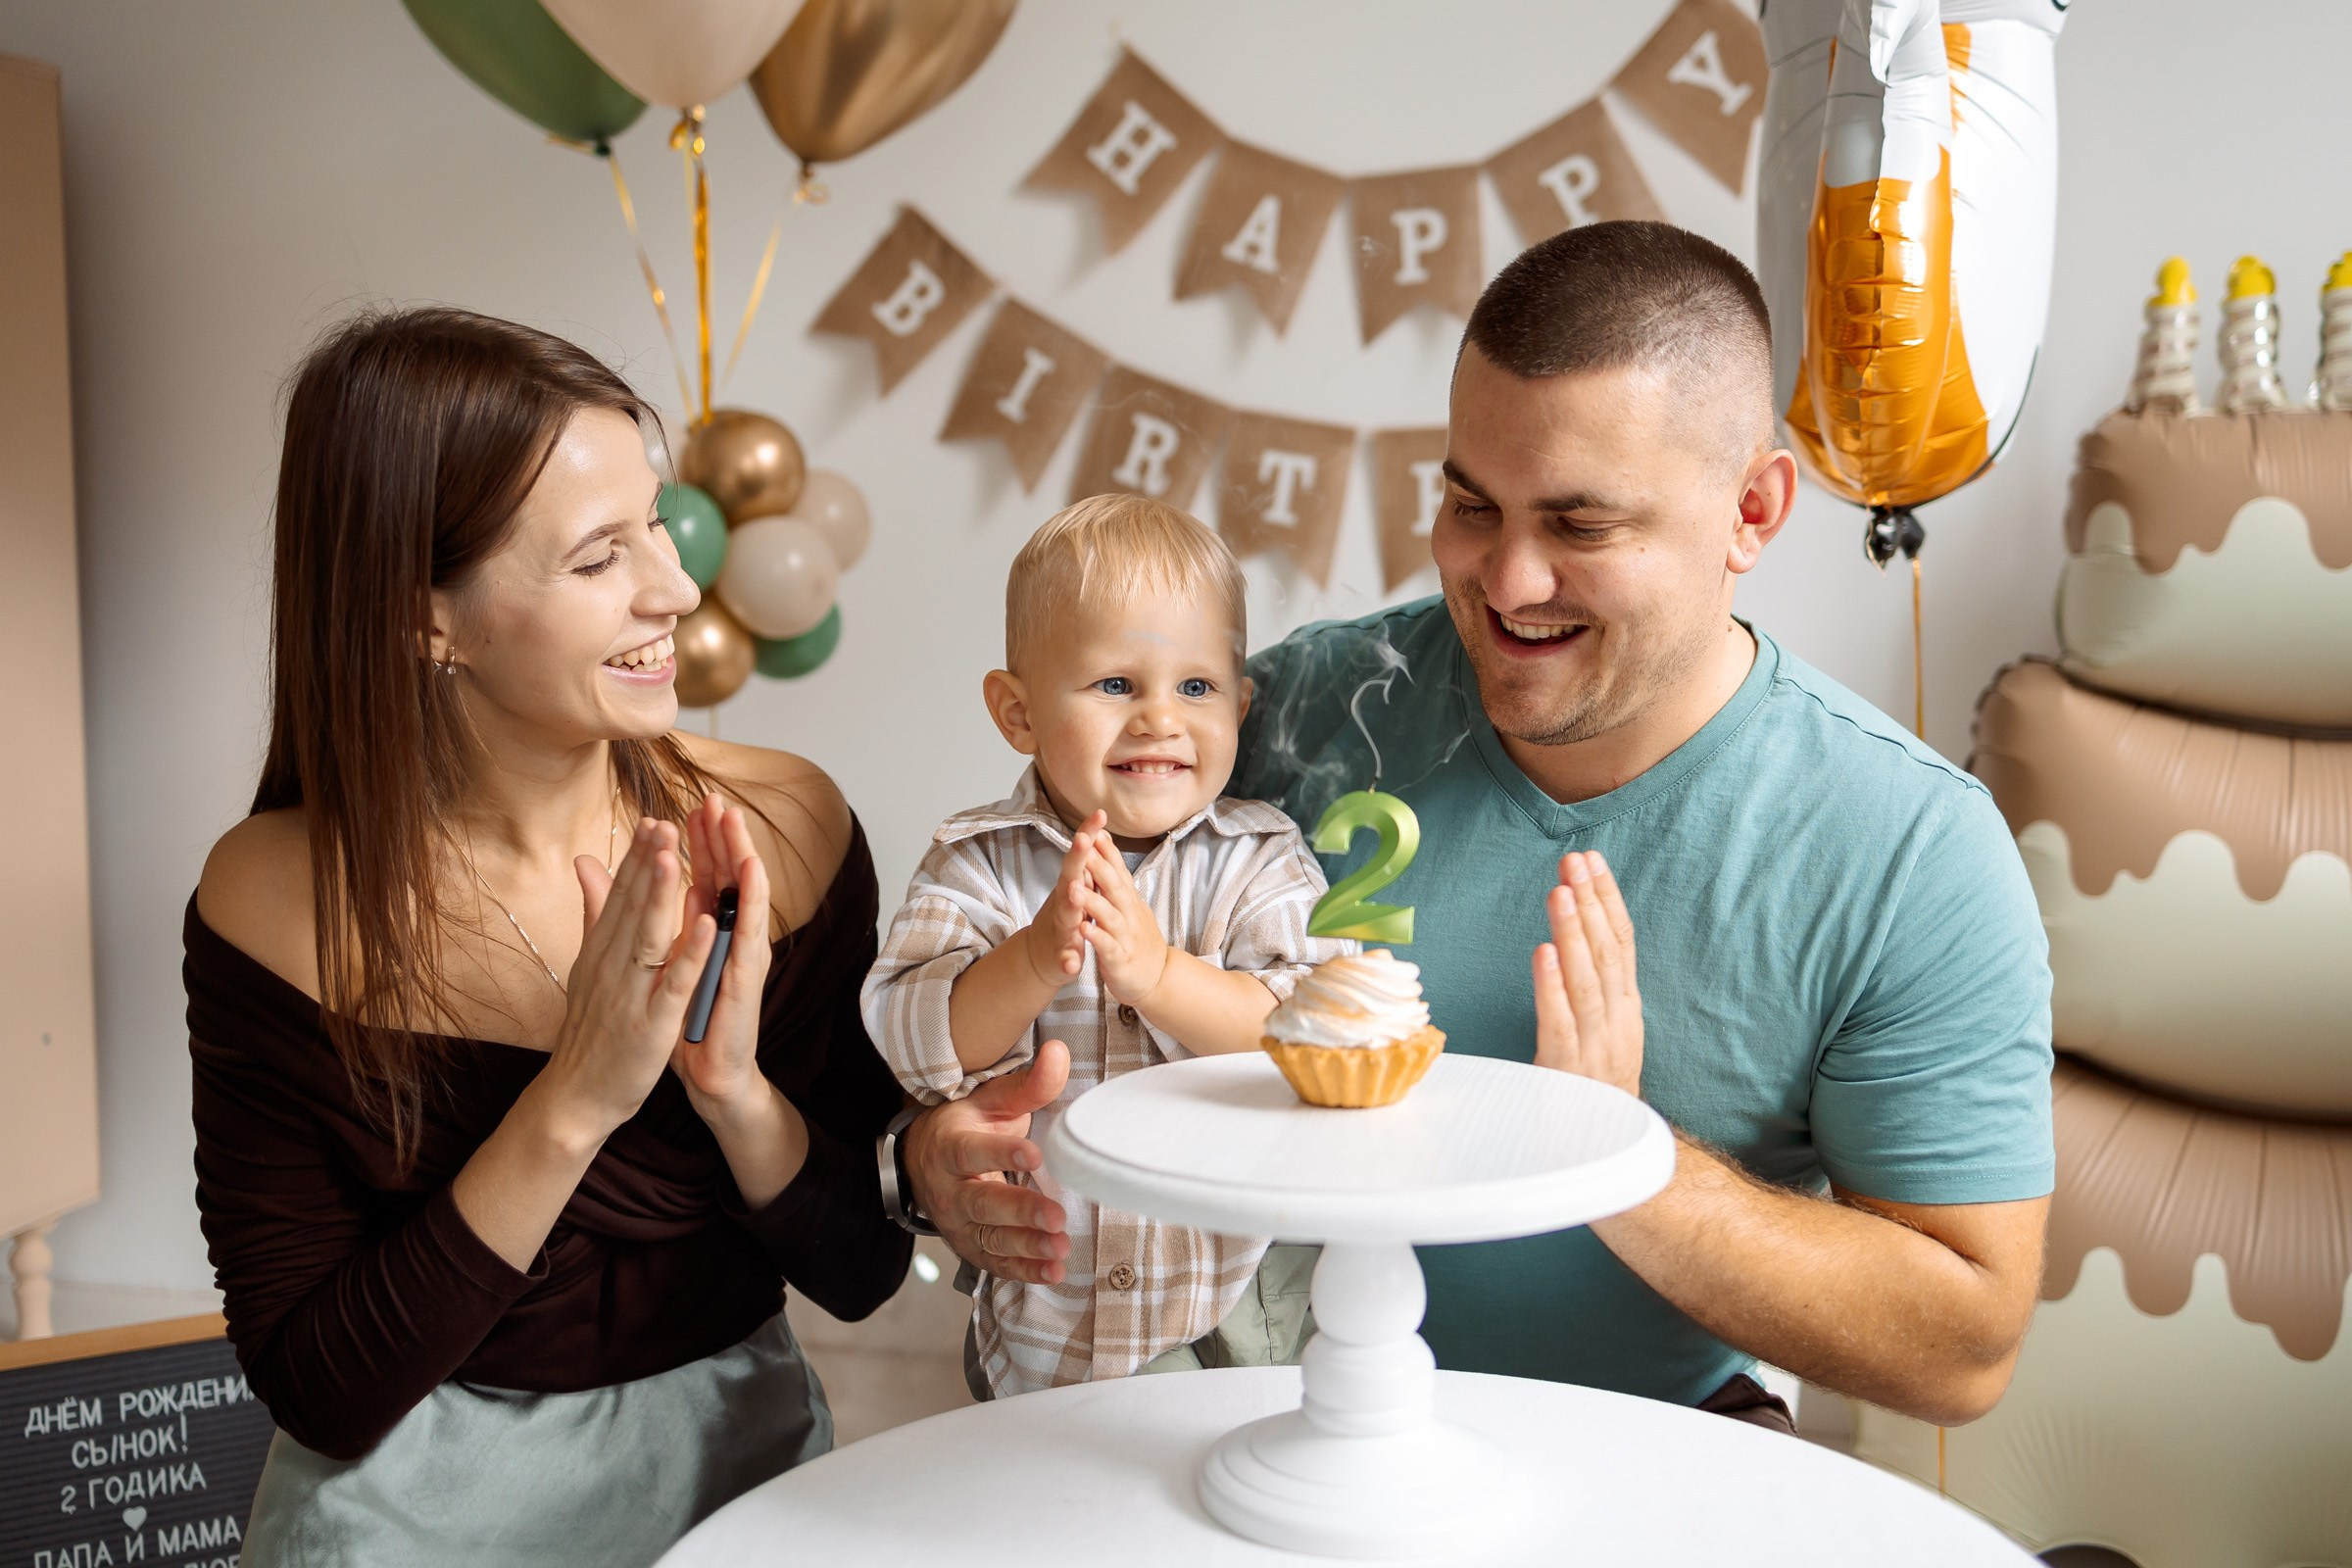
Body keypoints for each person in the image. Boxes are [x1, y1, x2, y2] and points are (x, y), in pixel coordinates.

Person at [896, 221, 2054, 1432]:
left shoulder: (1910, 850)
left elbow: (1961, 1349)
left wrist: (1622, 1157)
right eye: (1469, 503)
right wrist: (932, 1158)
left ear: (1752, 511)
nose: (1506, 582)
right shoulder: (1288, 721)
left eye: (1581, 526)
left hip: (1633, 1454)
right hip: (1253, 1432)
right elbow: (1006, 954)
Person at [188, 307, 909, 1565]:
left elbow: (863, 1270)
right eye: (597, 559)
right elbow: (324, 1388)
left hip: (735, 1482)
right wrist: (576, 1095)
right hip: (410, 1512)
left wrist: (734, 1094)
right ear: (427, 618)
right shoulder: (276, 897)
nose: (677, 589)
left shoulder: (781, 830)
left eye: (660, 527)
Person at [863, 496, 1348, 1399]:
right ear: (1018, 713)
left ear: (1240, 705)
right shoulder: (978, 863)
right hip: (1052, 1320)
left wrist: (1162, 977)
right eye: (1116, 685)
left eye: (1196, 688)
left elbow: (1310, 1034)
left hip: (1235, 1315)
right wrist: (1032, 958)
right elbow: (912, 1038)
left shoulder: (1259, 858)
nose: (1161, 718)